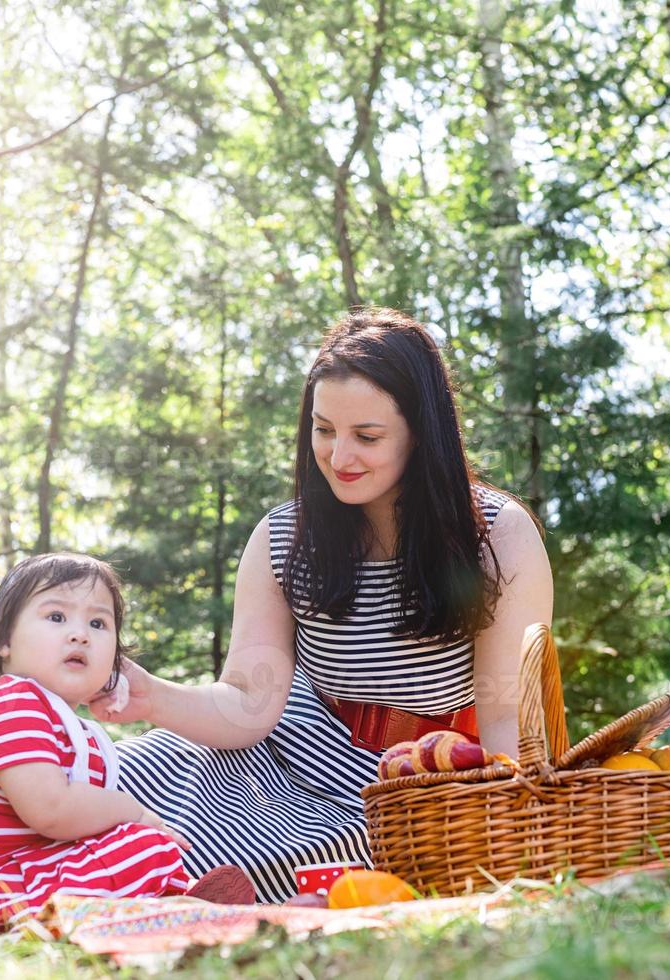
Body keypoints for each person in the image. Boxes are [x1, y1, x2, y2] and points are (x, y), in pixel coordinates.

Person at [90, 308, 553, 904]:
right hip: (282, 747)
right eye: (323, 429)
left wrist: (506, 827)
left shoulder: (497, 535)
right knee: (121, 776)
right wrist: (152, 695)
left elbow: (505, 725)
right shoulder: (284, 539)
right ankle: (37, 882)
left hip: (407, 781)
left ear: (422, 431)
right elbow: (249, 705)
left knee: (333, 857)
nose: (338, 457)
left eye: (367, 436)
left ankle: (201, 900)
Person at [0, 553, 252, 932]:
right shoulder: (11, 705)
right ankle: (167, 913)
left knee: (140, 847)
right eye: (56, 617)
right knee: (141, 846)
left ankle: (171, 907)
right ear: (5, 639)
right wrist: (132, 812)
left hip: (35, 873)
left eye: (98, 623)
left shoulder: (69, 726)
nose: (80, 634)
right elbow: (50, 810)